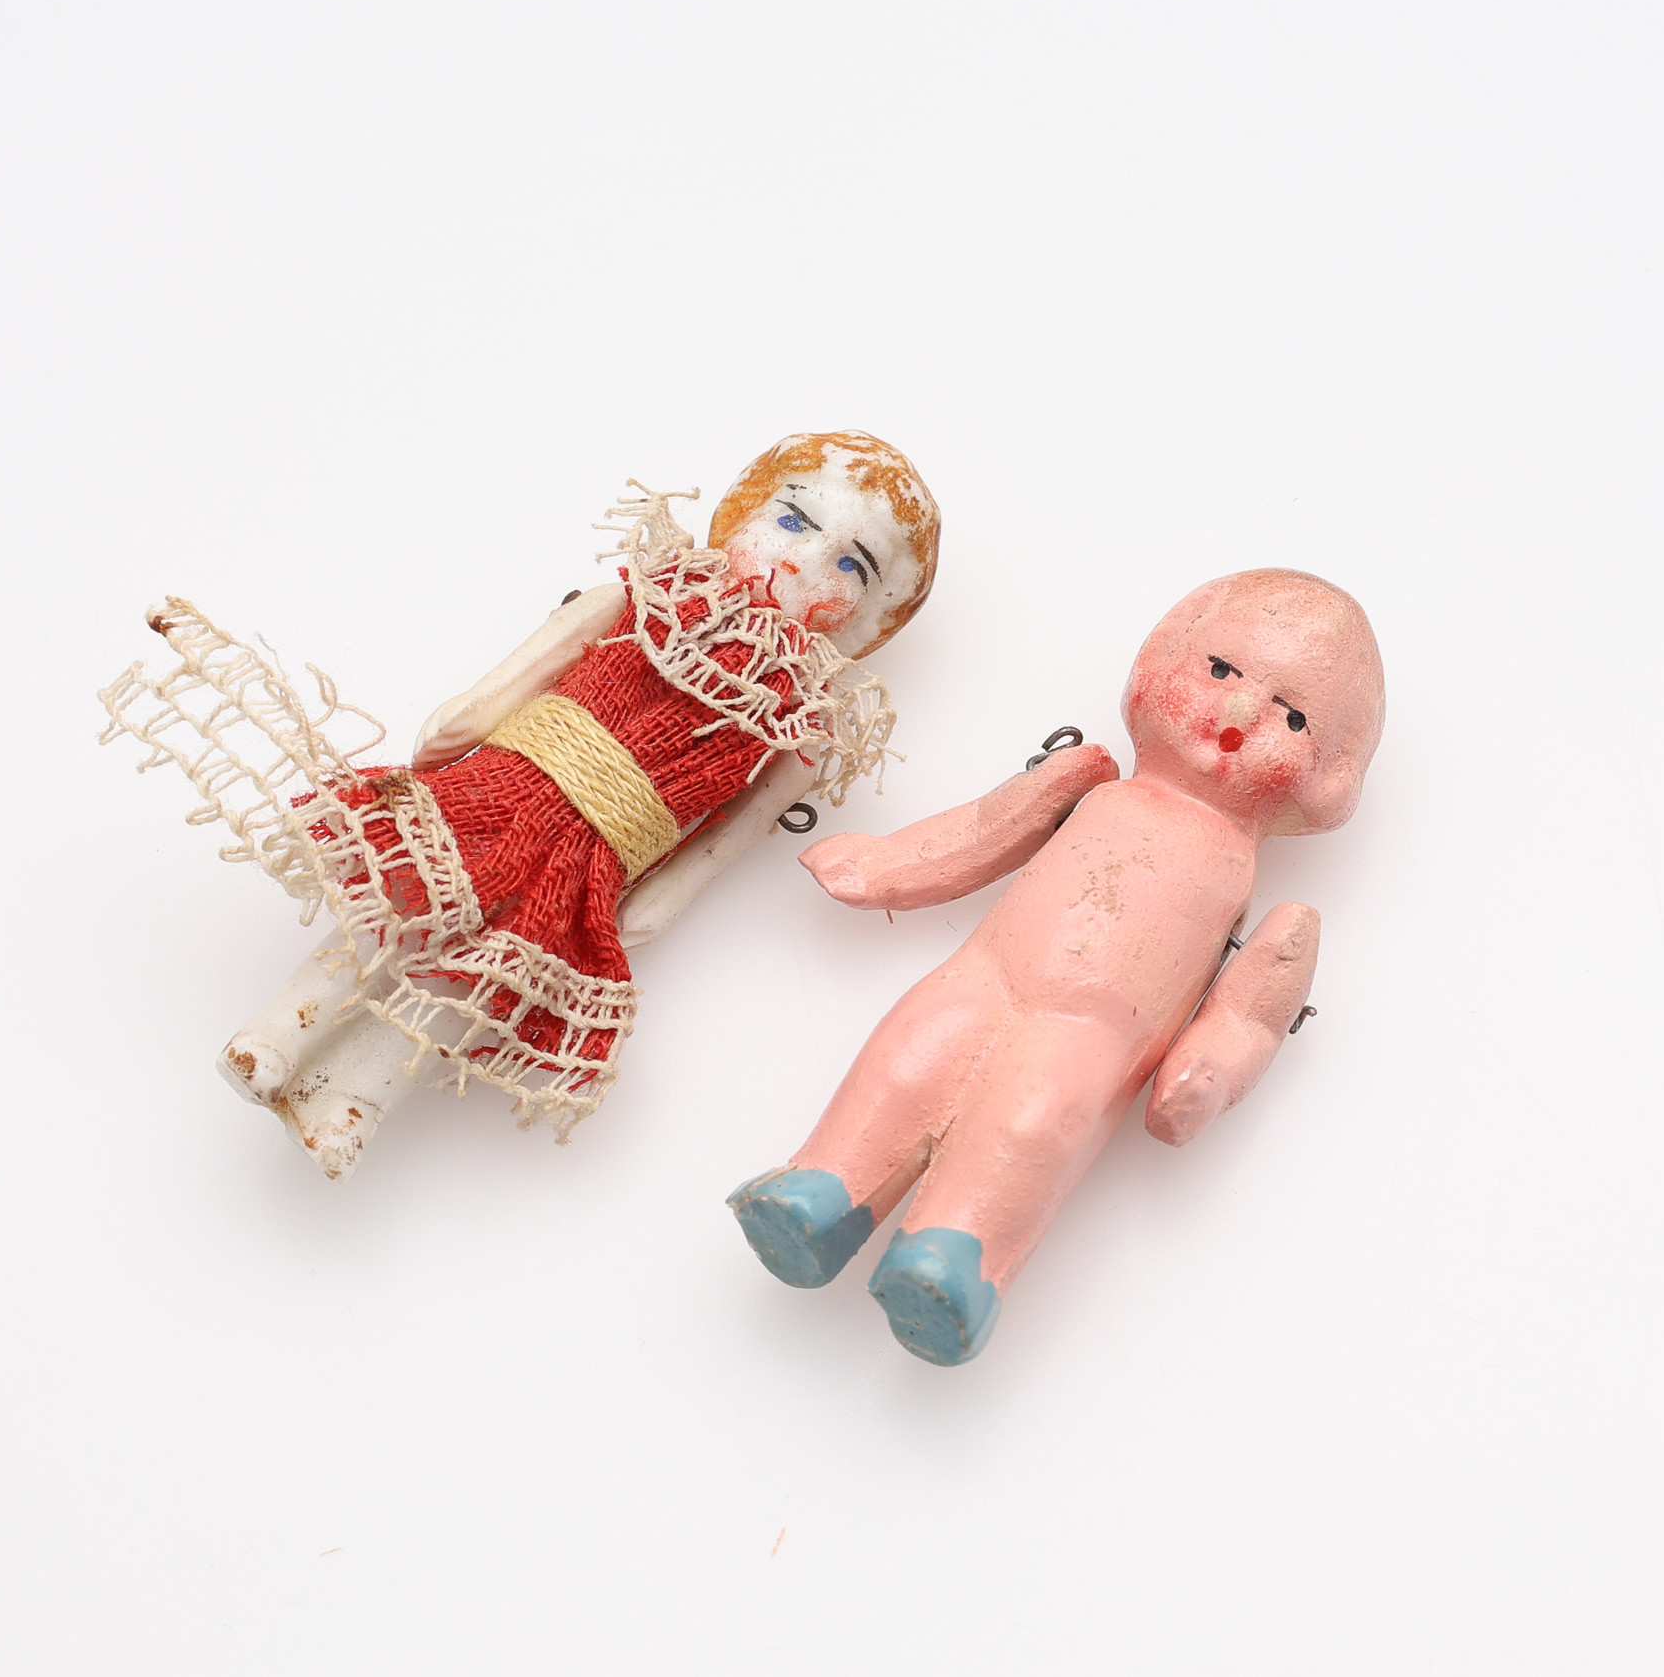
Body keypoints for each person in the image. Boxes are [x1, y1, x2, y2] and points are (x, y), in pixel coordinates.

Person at [100, 431, 940, 1179]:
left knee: (474, 979)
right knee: (402, 902)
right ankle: (278, 1033)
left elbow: (735, 833)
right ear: (741, 513)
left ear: (869, 621)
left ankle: (351, 1097)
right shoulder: (639, 598)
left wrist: (668, 896)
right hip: (507, 785)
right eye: (792, 520)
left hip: (589, 859)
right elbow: (528, 668)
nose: (802, 563)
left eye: (851, 566)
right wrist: (457, 726)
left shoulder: (795, 726)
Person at [728, 568, 1384, 1366]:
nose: (1240, 713)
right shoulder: (1083, 780)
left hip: (1091, 1036)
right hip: (981, 976)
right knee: (908, 1055)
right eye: (1219, 670)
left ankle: (952, 1259)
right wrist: (888, 865)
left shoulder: (1272, 909)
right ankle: (821, 1191)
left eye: (1292, 716)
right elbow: (985, 827)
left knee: (1033, 1120)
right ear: (1158, 663)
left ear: (1331, 776)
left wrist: (1206, 1076)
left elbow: (1247, 1014)